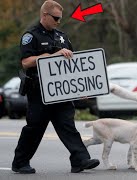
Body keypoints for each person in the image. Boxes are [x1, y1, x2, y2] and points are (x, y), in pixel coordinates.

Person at [12, 0, 100, 174]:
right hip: (39, 92)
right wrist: (49, 56)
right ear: (44, 15)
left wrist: (80, 88)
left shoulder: (61, 36)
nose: (58, 22)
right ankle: (20, 162)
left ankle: (80, 160)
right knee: (34, 128)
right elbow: (26, 62)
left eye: (60, 19)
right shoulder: (31, 36)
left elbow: (72, 65)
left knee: (67, 125)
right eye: (55, 18)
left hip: (61, 92)